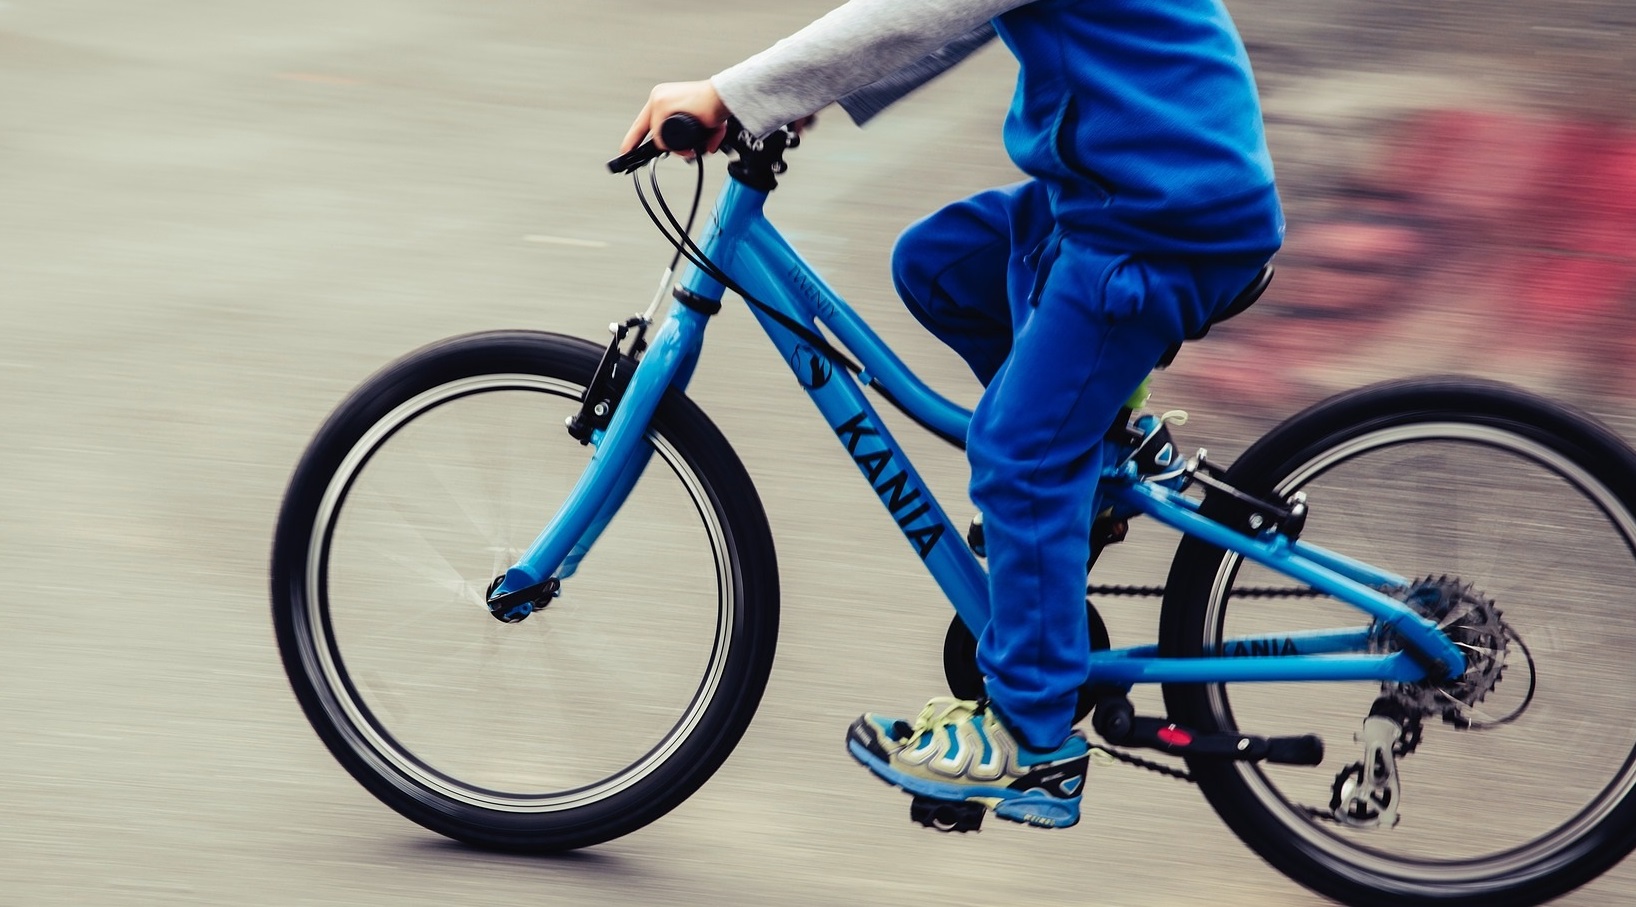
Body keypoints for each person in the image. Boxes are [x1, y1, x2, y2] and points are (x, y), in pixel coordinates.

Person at [619, 0, 1283, 830]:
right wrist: (796, 90)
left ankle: (1032, 745)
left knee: (1020, 455)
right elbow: (957, 18)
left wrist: (737, 92)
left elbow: (923, 10)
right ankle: (1099, 439)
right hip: (1126, 190)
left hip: (1153, 221)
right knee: (939, 267)